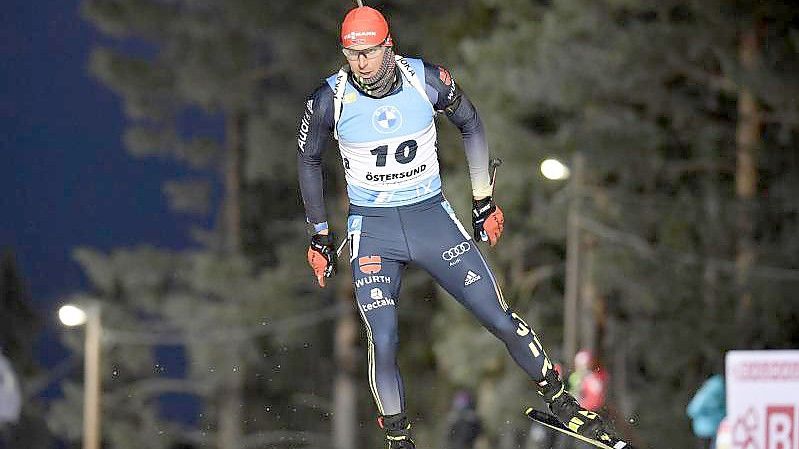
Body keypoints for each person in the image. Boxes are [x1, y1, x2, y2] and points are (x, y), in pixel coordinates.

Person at [297, 6, 619, 448]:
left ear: (388, 46)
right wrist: (320, 235)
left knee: (497, 317)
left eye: (369, 53)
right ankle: (398, 438)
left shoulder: (425, 79)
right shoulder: (329, 99)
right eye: (352, 56)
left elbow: (470, 124)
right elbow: (309, 160)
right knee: (384, 338)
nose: (361, 65)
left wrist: (483, 201)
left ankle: (563, 402)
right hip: (374, 230)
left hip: (431, 218)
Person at [686, 374, 726, 449]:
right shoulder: (721, 386)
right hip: (719, 428)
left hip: (705, 430)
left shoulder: (710, 387)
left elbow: (693, 409)